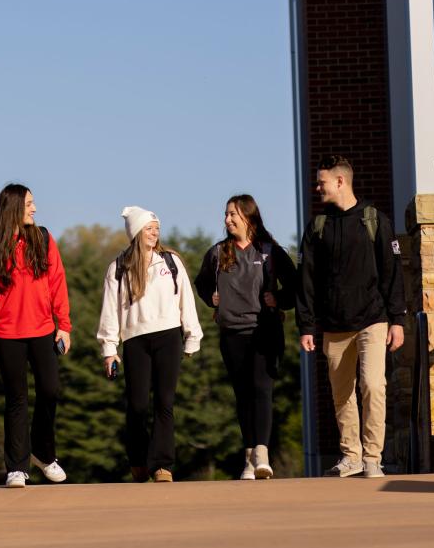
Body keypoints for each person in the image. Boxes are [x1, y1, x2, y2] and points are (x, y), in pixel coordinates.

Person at [296, 155, 407, 479]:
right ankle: (351, 456)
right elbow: (307, 280)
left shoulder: (374, 220)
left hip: (373, 319)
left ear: (340, 181)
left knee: (374, 385)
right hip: (333, 325)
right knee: (342, 394)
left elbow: (392, 272)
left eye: (322, 182)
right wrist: (307, 326)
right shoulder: (317, 227)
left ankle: (373, 458)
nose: (318, 187)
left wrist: (397, 320)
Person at [0, 183, 72, 489]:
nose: (34, 209)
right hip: (5, 332)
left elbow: (57, 282)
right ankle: (17, 467)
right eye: (29, 205)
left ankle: (43, 454)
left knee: (49, 391)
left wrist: (64, 325)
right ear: (13, 208)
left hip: (43, 330)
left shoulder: (43, 238)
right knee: (17, 399)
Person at [193, 195, 297, 480]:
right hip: (232, 333)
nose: (227, 220)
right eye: (226, 214)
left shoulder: (270, 251)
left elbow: (295, 285)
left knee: (262, 389)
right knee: (243, 395)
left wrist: (278, 298)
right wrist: (212, 300)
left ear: (248, 217)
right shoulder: (218, 253)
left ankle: (262, 454)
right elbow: (201, 283)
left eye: (232, 214)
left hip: (264, 330)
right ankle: (249, 458)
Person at [97, 206, 202, 483]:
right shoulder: (118, 268)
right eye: (148, 228)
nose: (155, 232)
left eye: (156, 227)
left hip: (169, 335)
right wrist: (109, 350)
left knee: (165, 403)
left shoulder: (170, 261)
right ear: (135, 232)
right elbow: (110, 312)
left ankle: (162, 465)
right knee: (138, 405)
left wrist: (192, 335)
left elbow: (186, 301)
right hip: (134, 341)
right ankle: (138, 460)